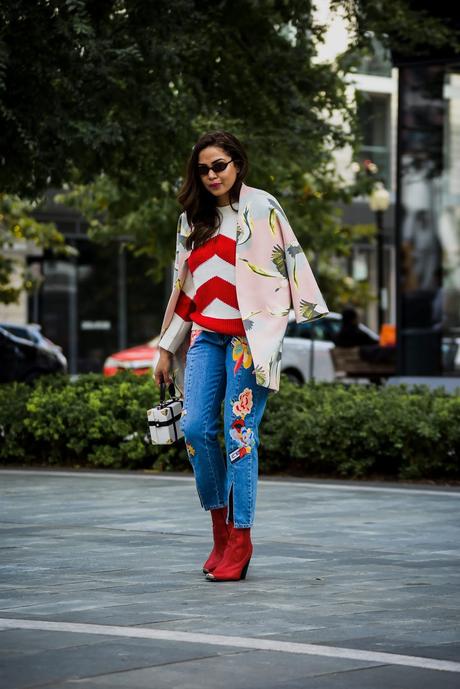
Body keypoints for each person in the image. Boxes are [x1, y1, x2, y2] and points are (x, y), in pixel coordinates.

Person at [154, 131, 328, 582]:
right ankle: (220, 532)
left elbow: (287, 267)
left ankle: (242, 538)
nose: (212, 175)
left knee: (239, 431)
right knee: (195, 429)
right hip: (206, 336)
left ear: (237, 165)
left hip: (249, 342)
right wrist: (165, 348)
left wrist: (277, 322)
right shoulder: (191, 220)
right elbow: (185, 293)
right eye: (203, 168)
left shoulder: (262, 207)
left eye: (219, 166)